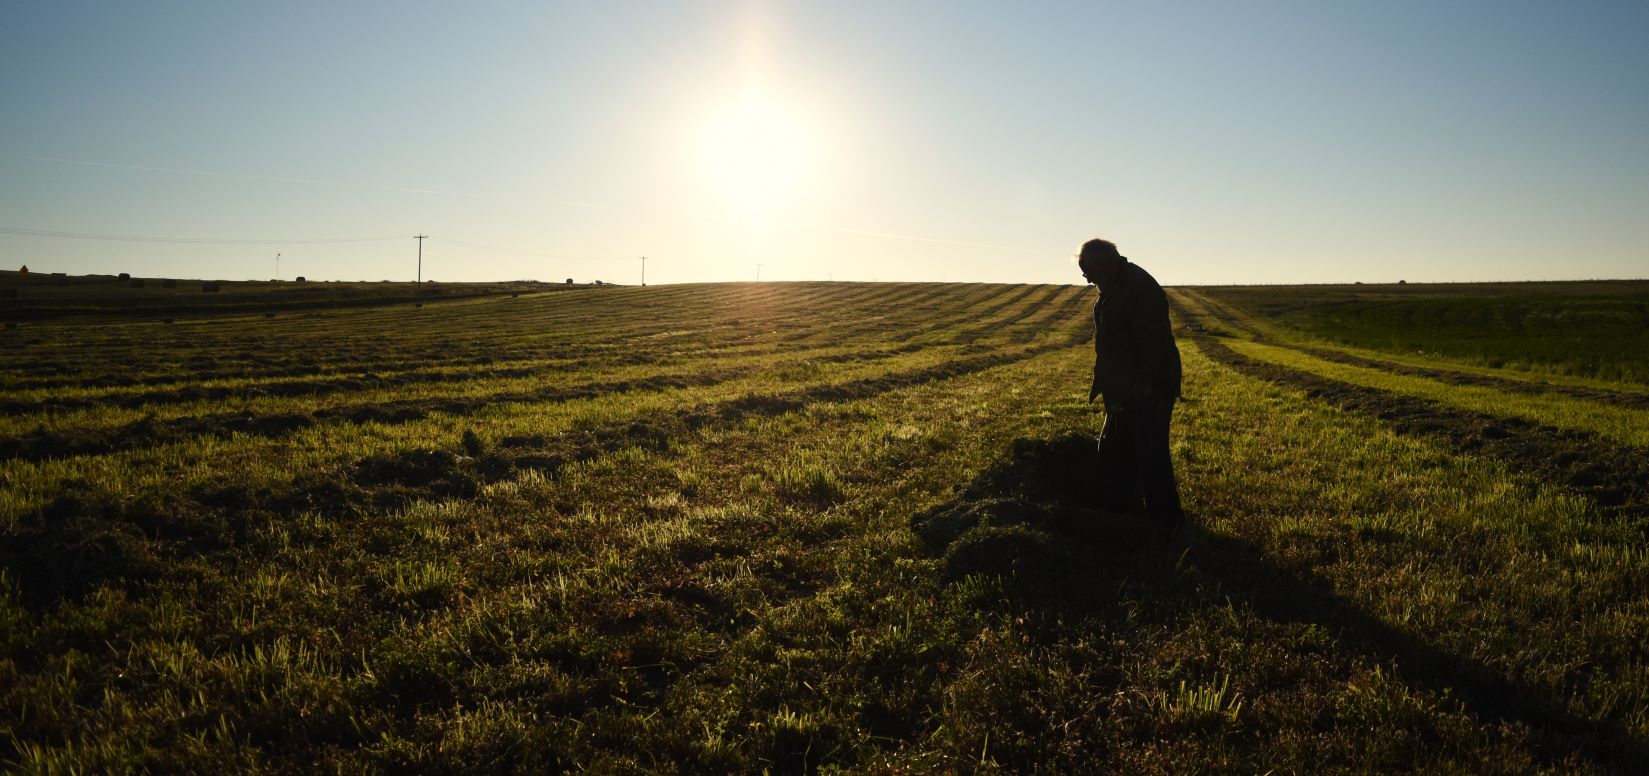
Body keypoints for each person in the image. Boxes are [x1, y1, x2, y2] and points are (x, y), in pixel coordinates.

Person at [1077, 238, 1186, 527]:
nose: (1085, 278)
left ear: (1103, 264)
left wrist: (1144, 383)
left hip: (1149, 387)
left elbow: (1154, 342)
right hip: (1125, 388)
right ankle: (1123, 513)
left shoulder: (1140, 288)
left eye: (1087, 269)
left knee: (1151, 456)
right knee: (1116, 450)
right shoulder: (1115, 286)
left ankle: (1167, 525)